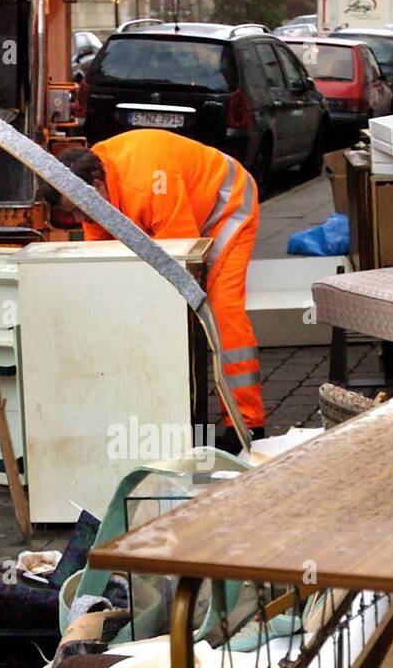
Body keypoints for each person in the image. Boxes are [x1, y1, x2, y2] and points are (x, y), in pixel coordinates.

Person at [48, 130, 265, 446]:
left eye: (78, 209)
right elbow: (100, 266)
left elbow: (181, 263)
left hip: (226, 206)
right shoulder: (90, 187)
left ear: (95, 187)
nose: (79, 217)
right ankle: (174, 420)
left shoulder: (148, 184)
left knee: (219, 311)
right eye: (71, 213)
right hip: (184, 209)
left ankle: (247, 427)